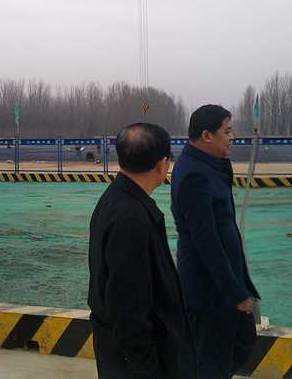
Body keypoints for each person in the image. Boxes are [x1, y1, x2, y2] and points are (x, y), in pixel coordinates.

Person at [88, 123, 196, 379]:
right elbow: (128, 305)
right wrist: (147, 368)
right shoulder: (131, 218)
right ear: (162, 164)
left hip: (122, 353)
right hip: (139, 363)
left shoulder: (116, 200)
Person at [170, 105, 260, 379]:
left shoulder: (211, 166)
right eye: (227, 131)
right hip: (208, 291)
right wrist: (236, 293)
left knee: (241, 343)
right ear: (207, 136)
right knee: (212, 363)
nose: (232, 137)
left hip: (224, 284)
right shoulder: (194, 175)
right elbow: (205, 241)